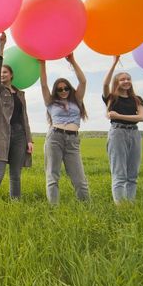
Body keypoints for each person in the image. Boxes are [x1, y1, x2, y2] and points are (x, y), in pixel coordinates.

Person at [0, 32, 33, 202]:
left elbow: (24, 118)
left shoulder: (20, 94)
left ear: (11, 75)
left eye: (6, 72)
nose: (2, 74)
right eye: (1, 73)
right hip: (1, 136)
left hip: (19, 136)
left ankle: (16, 205)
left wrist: (29, 140)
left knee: (15, 175)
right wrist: (1, 46)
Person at [39, 54, 90, 204]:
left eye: (66, 88)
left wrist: (72, 60)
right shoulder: (50, 102)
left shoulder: (77, 100)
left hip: (73, 140)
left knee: (79, 179)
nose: (63, 91)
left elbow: (83, 81)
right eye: (60, 89)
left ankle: (87, 207)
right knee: (52, 176)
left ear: (70, 88)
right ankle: (53, 210)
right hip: (55, 138)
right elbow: (43, 85)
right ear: (56, 91)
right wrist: (42, 63)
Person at [102, 55, 143, 204]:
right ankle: (121, 206)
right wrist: (114, 63)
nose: (126, 81)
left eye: (128, 79)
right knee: (119, 173)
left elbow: (141, 117)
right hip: (117, 133)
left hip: (134, 133)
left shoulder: (136, 99)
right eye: (122, 79)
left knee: (133, 174)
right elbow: (105, 83)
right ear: (117, 82)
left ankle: (130, 204)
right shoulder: (111, 98)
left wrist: (118, 115)